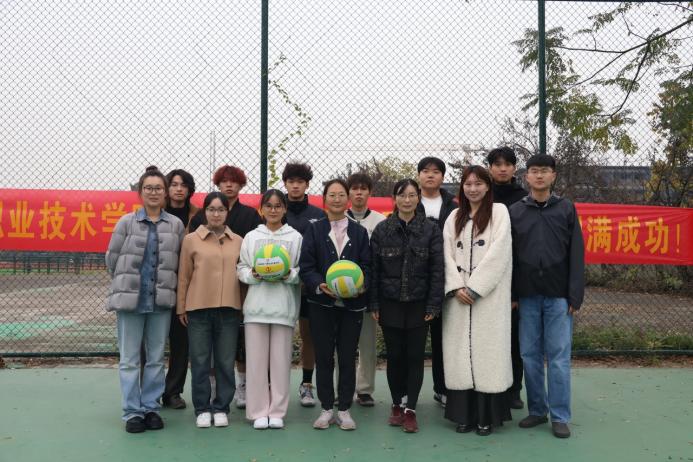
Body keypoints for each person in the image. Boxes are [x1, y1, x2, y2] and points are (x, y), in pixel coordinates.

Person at [509, 154, 584, 439]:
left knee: (558, 358)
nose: (539, 176)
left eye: (544, 171)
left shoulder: (566, 208)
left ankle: (560, 416)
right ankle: (537, 410)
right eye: (534, 171)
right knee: (529, 356)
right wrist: (513, 293)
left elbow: (576, 253)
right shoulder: (516, 211)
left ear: (553, 176)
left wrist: (574, 295)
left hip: (558, 296)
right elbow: (509, 257)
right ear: (526, 176)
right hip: (527, 295)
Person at [106, 166, 185, 433]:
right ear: (140, 192)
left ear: (165, 193)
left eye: (158, 188)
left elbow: (179, 263)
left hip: (160, 302)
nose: (153, 192)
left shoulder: (175, 225)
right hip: (131, 301)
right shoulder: (126, 223)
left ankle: (151, 408)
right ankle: (132, 412)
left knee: (155, 358)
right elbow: (112, 259)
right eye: (148, 188)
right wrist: (126, 285)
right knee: (129, 359)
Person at [442, 165, 513, 436]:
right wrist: (455, 286)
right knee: (460, 356)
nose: (473, 189)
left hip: (488, 298)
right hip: (457, 299)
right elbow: (445, 255)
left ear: (488, 186)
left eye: (478, 184)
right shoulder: (454, 217)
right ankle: (464, 415)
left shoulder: (499, 212)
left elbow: (499, 253)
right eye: (468, 184)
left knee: (488, 356)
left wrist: (475, 288)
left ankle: (486, 417)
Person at [370, 179, 444, 433]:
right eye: (402, 195)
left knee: (414, 357)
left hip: (419, 305)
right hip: (389, 303)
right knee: (394, 356)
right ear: (394, 199)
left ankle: (410, 409)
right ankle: (396, 404)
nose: (407, 200)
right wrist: (374, 303)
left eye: (412, 195)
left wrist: (433, 305)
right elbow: (374, 270)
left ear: (418, 198)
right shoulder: (382, 230)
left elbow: (437, 270)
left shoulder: (431, 230)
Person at [299, 179, 371, 431]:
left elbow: (367, 266)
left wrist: (361, 286)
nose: (337, 199)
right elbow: (306, 266)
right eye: (332, 195)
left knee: (348, 357)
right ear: (324, 199)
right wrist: (320, 285)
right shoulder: (314, 230)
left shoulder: (359, 232)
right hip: (321, 304)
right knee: (324, 356)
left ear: (347, 199)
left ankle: (344, 410)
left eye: (341, 194)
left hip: (352, 306)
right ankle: (327, 408)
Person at [189, 165, 262, 409]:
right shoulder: (199, 221)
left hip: (236, 293)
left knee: (233, 348)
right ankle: (208, 391)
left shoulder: (251, 217)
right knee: (204, 352)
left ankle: (240, 387)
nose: (229, 185)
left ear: (241, 185)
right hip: (204, 294)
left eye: (234, 181)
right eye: (224, 181)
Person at [237, 189, 303, 430]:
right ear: (261, 209)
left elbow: (301, 270)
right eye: (269, 206)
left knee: (280, 363)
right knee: (255, 363)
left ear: (285, 209)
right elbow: (242, 268)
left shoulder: (295, 237)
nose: (273, 210)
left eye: (278, 206)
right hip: (256, 308)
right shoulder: (252, 237)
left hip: (283, 308)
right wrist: (253, 274)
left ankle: (277, 411)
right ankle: (257, 411)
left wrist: (289, 274)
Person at [177, 192, 243, 429]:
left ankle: (222, 407)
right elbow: (184, 276)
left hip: (229, 310)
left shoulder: (238, 241)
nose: (216, 214)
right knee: (200, 361)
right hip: (198, 309)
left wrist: (243, 306)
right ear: (204, 212)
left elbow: (243, 277)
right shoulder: (191, 240)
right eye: (211, 209)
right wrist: (181, 307)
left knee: (225, 361)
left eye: (221, 209)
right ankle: (202, 408)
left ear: (227, 212)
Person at [486, 147, 528, 410]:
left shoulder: (523, 199)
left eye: (507, 164)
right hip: (483, 277)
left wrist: (515, 292)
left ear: (514, 168)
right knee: (488, 339)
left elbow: (523, 246)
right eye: (497, 164)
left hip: (512, 277)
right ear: (490, 168)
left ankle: (513, 391)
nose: (502, 169)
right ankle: (489, 389)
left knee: (513, 340)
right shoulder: (481, 195)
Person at [283, 162, 325, 407]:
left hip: (309, 286)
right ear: (285, 184)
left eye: (300, 181)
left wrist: (311, 279)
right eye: (291, 181)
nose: (295, 186)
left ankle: (307, 385)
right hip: (281, 285)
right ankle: (274, 384)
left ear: (307, 185)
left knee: (309, 336)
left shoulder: (318, 214)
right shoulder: (276, 210)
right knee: (281, 337)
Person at [416, 156, 457, 407]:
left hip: (446, 279)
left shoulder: (453, 206)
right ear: (419, 175)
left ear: (442, 176)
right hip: (417, 281)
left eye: (435, 171)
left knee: (444, 340)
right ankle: (408, 394)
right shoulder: (409, 201)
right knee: (415, 342)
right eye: (425, 171)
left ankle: (442, 389)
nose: (430, 175)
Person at [346, 173, 386, 407]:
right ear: (349, 192)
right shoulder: (338, 219)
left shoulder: (380, 221)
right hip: (342, 292)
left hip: (368, 293)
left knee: (367, 344)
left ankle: (364, 390)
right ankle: (343, 387)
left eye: (363, 189)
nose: (359, 193)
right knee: (342, 345)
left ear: (370, 192)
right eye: (354, 188)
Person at [161, 169, 199, 410]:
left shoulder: (198, 216)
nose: (178, 189)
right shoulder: (156, 213)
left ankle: (173, 392)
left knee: (181, 343)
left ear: (189, 190)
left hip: (186, 286)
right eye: (174, 184)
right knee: (152, 344)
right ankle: (151, 391)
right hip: (159, 284)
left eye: (183, 185)